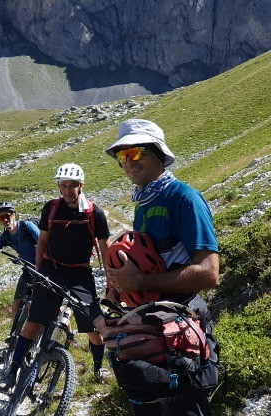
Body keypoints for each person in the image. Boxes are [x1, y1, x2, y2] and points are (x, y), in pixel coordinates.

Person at [102, 118, 221, 416]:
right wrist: (121, 288)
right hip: (154, 325)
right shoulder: (145, 202)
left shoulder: (183, 197)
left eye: (135, 154)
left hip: (179, 327)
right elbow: (150, 261)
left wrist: (139, 281)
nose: (128, 163)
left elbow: (209, 273)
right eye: (122, 156)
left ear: (157, 153)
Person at [0, 163, 111, 391]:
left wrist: (111, 283)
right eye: (63, 185)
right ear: (59, 186)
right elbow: (43, 241)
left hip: (80, 273)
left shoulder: (94, 213)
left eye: (72, 186)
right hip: (52, 269)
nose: (68, 190)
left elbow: (105, 248)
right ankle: (12, 372)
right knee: (32, 324)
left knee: (93, 330)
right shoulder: (50, 208)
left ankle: (98, 365)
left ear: (81, 186)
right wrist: (39, 271)